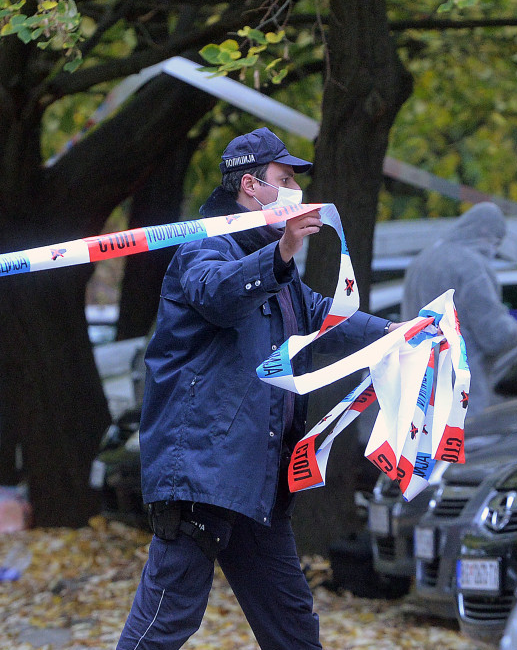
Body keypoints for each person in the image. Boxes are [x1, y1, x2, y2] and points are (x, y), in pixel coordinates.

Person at [117, 127, 400, 650]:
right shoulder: (204, 247)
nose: (294, 190)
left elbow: (325, 319)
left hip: (255, 479)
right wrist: (283, 253)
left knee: (292, 629)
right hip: (202, 476)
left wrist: (399, 334)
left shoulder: (277, 266)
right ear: (251, 185)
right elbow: (219, 295)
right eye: (284, 179)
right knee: (165, 622)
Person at [399, 201, 517, 414]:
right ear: (484, 232)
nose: (494, 249)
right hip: (460, 389)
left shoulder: (423, 259)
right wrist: (514, 326)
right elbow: (495, 336)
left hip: (416, 384)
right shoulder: (470, 265)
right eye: (496, 241)